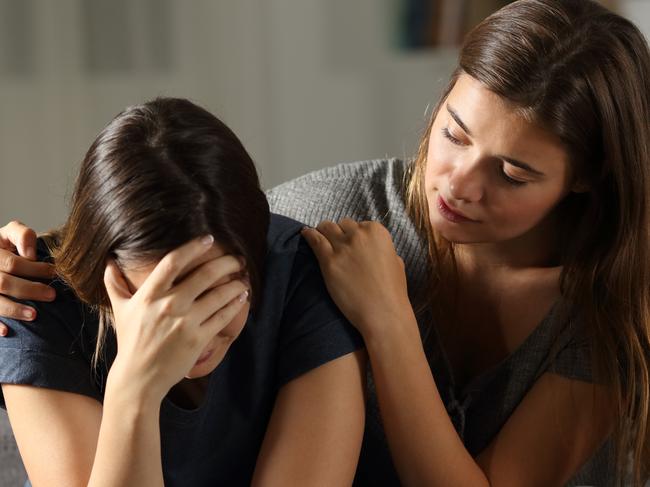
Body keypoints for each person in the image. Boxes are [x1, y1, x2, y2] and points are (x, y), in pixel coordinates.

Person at [1, 0, 649, 485]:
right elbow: (172, 218)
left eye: (512, 173)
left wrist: (388, 322)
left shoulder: (617, 307)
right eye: (454, 133)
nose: (458, 183)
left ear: (586, 182)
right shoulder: (325, 220)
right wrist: (28, 259)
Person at [0, 98, 367, 486]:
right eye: (160, 305)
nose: (193, 335)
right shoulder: (34, 295)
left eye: (217, 295)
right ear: (103, 272)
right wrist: (135, 387)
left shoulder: (303, 276)